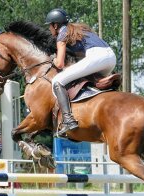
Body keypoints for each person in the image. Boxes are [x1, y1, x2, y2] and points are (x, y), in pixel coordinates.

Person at [45, 8, 116, 136]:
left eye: (50, 26)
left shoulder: (62, 35)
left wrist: (52, 59)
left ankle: (68, 120)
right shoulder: (78, 29)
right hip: (111, 57)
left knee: (57, 81)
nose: (49, 29)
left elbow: (60, 63)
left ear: (55, 25)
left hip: (97, 57)